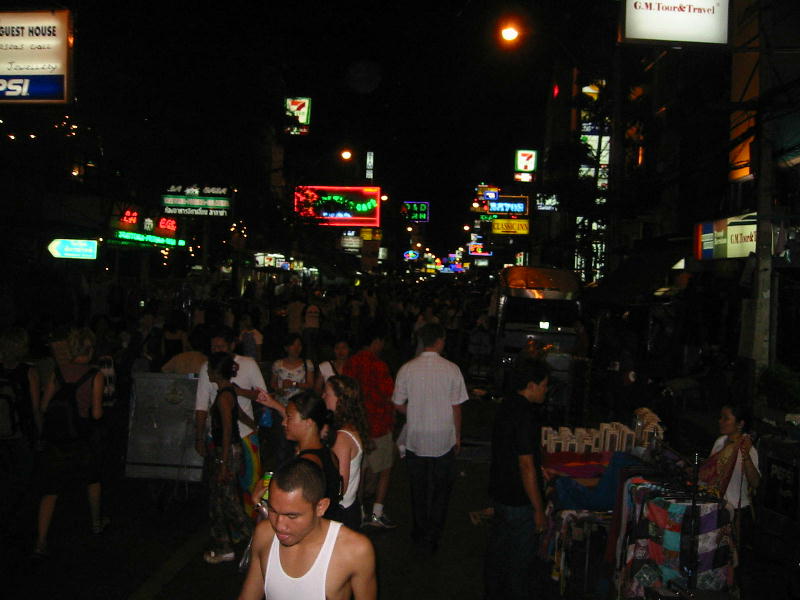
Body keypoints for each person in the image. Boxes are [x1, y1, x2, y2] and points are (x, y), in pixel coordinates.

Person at [238, 458, 376, 600]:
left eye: (291, 516)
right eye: (273, 511)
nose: (279, 525)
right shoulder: (264, 533)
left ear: (320, 507)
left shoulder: (355, 550)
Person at [392, 323, 468, 552]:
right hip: (444, 437)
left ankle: (418, 531)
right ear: (440, 341)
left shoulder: (407, 369)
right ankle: (433, 535)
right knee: (441, 490)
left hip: (416, 437)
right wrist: (458, 436)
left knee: (418, 488)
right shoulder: (452, 369)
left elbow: (397, 404)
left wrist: (414, 411)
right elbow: (456, 407)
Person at [34, 328, 107, 557]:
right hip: (81, 438)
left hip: (58, 438)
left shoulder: (58, 371)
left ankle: (40, 540)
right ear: (91, 350)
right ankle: (96, 522)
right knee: (93, 479)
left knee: (50, 490)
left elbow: (44, 407)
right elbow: (96, 414)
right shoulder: (95, 375)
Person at [195, 327, 282, 518]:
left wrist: (239, 392)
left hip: (243, 436)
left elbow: (263, 396)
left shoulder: (248, 364)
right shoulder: (206, 367)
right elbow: (201, 405)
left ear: (233, 345)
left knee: (251, 483)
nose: (217, 350)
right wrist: (199, 437)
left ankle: (257, 522)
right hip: (217, 436)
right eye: (213, 347)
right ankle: (239, 527)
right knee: (222, 488)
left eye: (221, 346)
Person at [485, 361, 549, 600]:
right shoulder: (525, 415)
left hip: (500, 493)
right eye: (543, 385)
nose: (545, 390)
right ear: (531, 385)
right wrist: (538, 509)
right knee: (519, 566)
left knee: (498, 557)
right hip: (518, 500)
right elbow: (525, 465)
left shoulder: (506, 406)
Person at [699, 404, 760, 594]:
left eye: (726, 418)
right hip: (716, 510)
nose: (720, 421)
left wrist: (745, 455)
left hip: (736, 517)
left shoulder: (748, 450)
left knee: (732, 567)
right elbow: (709, 475)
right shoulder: (720, 442)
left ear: (740, 424)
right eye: (721, 417)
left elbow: (756, 483)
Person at [343, 326, 397, 529]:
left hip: (356, 425)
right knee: (385, 468)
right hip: (379, 423)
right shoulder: (379, 365)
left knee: (359, 470)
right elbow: (390, 394)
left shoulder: (351, 363)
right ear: (376, 341)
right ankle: (376, 512)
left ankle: (359, 511)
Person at [203, 352, 253, 563]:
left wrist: (223, 462)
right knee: (222, 499)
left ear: (216, 371)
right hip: (231, 449)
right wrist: (255, 427)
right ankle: (226, 545)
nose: (207, 372)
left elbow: (226, 429)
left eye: (209, 369)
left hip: (226, 451)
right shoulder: (228, 392)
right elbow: (239, 414)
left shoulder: (223, 396)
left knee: (227, 500)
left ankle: (254, 539)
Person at [281, 390, 342, 519]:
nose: (283, 422)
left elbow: (294, 512)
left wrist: (260, 503)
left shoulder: (306, 465)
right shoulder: (328, 453)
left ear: (309, 422)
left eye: (289, 417)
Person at [323, 375, 371, 530]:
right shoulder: (349, 426)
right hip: (350, 506)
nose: (323, 396)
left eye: (327, 393)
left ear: (340, 399)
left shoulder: (342, 438)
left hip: (341, 512)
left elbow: (340, 486)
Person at [270, 333, 315, 406]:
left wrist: (294, 384)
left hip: (300, 405)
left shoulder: (307, 364)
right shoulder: (277, 364)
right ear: (286, 348)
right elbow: (273, 383)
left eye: (299, 345)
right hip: (281, 404)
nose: (296, 348)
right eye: (293, 345)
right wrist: (278, 390)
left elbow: (310, 385)